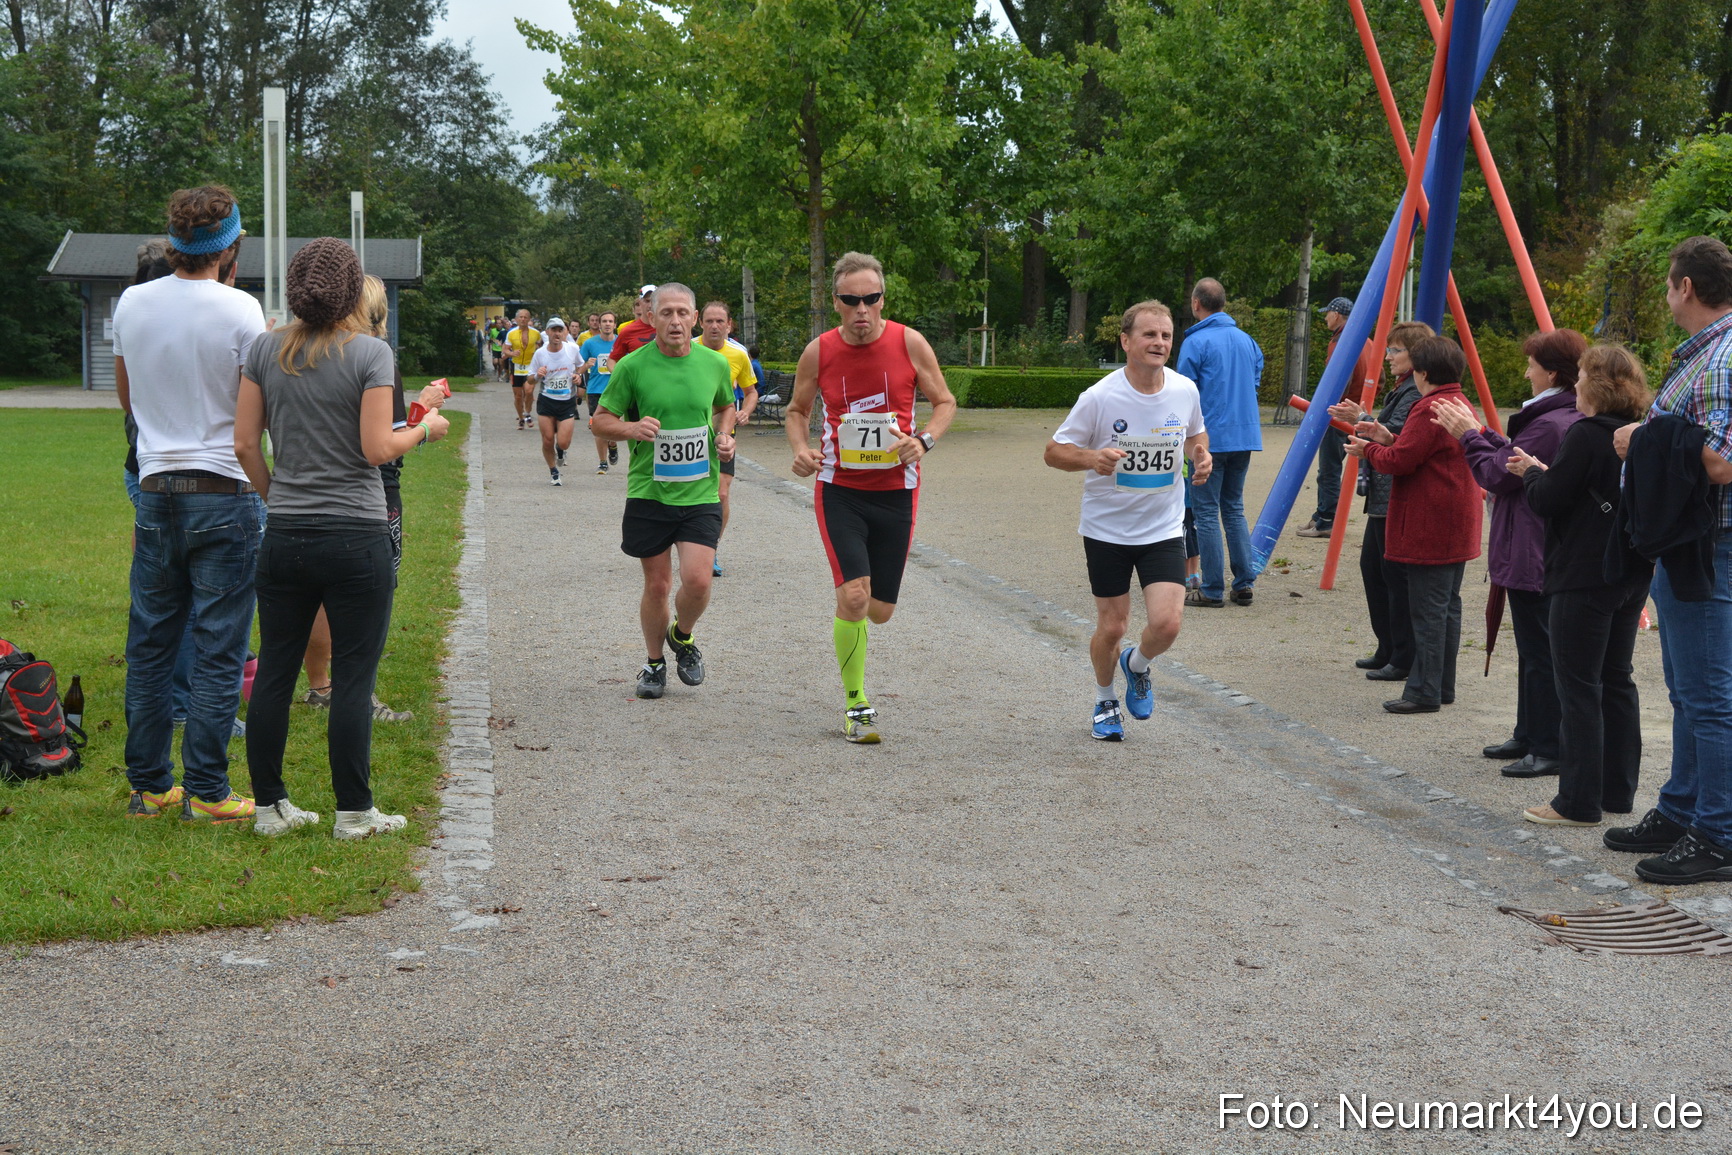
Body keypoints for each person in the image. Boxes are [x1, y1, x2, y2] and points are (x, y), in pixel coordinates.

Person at [234, 238, 450, 838]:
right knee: (355, 676)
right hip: (357, 533)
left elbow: (246, 445)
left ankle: (270, 807)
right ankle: (354, 812)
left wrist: (276, 499)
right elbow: (378, 448)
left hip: (286, 534)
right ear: (353, 289)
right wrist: (426, 429)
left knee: (276, 670)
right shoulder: (371, 355)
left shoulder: (263, 348)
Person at [113, 184, 265, 822]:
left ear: (173, 241)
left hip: (154, 491)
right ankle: (207, 789)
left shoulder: (131, 302)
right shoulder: (241, 310)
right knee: (219, 643)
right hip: (223, 490)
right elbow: (255, 410)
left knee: (150, 643)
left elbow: (126, 399)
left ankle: (149, 784)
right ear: (230, 245)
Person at [786, 251, 958, 743]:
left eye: (871, 298)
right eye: (850, 300)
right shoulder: (818, 350)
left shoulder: (909, 342)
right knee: (854, 597)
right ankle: (856, 702)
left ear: (883, 298)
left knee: (880, 609)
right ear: (836, 302)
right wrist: (800, 449)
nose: (862, 309)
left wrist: (923, 440)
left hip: (896, 492)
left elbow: (945, 402)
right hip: (839, 489)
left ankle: (859, 637)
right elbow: (798, 410)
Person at [1603, 236, 1732, 884]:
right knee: (1688, 691)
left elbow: (1724, 462)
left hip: (1709, 548)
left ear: (1685, 287)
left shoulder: (1724, 358)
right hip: (1688, 545)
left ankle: (1719, 832)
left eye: (1667, 283)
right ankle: (1683, 808)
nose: (1664, 294)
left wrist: (1643, 439)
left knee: (1710, 697)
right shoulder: (1708, 355)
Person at [1045, 300, 1212, 740]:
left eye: (1166, 335)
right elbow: (1054, 451)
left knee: (1167, 623)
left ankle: (1136, 665)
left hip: (1162, 527)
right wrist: (1090, 457)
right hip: (1107, 530)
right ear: (1126, 341)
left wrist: (1201, 454)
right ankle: (1104, 699)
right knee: (1114, 625)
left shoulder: (1184, 390)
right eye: (1149, 334)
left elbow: (1195, 433)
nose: (1159, 342)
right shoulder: (1100, 397)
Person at [1507, 343, 1653, 826]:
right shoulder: (1640, 434)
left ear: (1595, 385)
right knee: (1616, 679)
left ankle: (1577, 800)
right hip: (1628, 570)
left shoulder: (1586, 433)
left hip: (1582, 573)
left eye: (1584, 377)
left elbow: (1548, 500)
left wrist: (1530, 472)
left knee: (1578, 685)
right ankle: (1616, 792)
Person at [1431, 328, 1587, 775]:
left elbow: (1499, 476)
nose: (1525, 372)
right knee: (1532, 649)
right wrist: (1481, 433)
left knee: (1541, 651)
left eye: (1531, 365)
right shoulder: (1553, 416)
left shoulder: (1553, 421)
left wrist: (1468, 437)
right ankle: (1529, 732)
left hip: (1534, 550)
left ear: (1551, 372)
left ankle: (1548, 744)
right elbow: (1512, 458)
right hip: (1531, 547)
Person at [299, 277, 435, 724]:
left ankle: (321, 686)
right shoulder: (376, 358)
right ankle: (360, 697)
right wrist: (427, 420)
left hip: (305, 494)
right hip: (371, 494)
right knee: (370, 597)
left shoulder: (304, 353)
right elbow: (385, 443)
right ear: (377, 313)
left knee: (314, 597)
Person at [591, 284, 737, 699]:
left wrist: (725, 435)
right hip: (649, 492)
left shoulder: (714, 364)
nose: (675, 321)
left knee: (698, 581)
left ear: (695, 319)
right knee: (657, 586)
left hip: (700, 490)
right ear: (651, 318)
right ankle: (654, 664)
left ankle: (682, 635)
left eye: (682, 313)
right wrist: (631, 429)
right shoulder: (632, 366)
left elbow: (726, 405)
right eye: (666, 313)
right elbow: (600, 421)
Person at [1348, 336, 1482, 714]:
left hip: (1431, 522)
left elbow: (1401, 461)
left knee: (1428, 609)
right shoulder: (1458, 401)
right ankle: (1441, 685)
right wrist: (1386, 437)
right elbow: (1417, 450)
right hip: (1455, 520)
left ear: (1423, 372)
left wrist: (1369, 449)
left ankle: (1423, 690)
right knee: (1446, 607)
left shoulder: (1429, 407)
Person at [1328, 321, 1434, 683]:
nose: (1387, 357)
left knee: (1389, 574)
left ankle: (1402, 654)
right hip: (1384, 493)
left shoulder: (1415, 394)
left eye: (1395, 351)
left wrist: (1362, 420)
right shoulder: (1404, 390)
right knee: (1374, 570)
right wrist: (1361, 420)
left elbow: (1400, 438)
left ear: (1415, 355)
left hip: (1393, 494)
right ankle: (1389, 646)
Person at [1175, 277, 1263, 607]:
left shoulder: (1195, 343)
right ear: (1223, 304)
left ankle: (1212, 588)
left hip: (1208, 439)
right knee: (1234, 508)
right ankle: (1243, 582)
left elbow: (1184, 392)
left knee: (1205, 513)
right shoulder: (1247, 341)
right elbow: (1254, 381)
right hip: (1244, 435)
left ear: (1196, 304)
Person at [1299, 296, 1379, 538]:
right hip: (1359, 412)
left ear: (1337, 315)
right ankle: (1321, 514)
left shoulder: (1340, 342)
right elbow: (1380, 377)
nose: (1325, 317)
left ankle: (1325, 520)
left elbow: (1338, 380)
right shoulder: (1367, 341)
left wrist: (1332, 407)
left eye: (1327, 313)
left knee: (1329, 469)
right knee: (1334, 466)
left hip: (1340, 414)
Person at [698, 300, 758, 575]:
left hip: (723, 435)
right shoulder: (687, 349)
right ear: (700, 323)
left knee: (721, 493)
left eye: (719, 321)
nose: (714, 326)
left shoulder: (737, 355)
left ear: (729, 325)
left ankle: (711, 548)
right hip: (690, 434)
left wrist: (744, 411)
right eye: (709, 321)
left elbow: (751, 391)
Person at [530, 316, 582, 485]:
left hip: (566, 401)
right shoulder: (540, 353)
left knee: (564, 442)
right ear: (547, 332)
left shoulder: (572, 349)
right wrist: (538, 375)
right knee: (547, 440)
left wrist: (577, 376)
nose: (557, 333)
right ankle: (553, 471)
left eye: (560, 330)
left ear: (564, 332)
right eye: (554, 330)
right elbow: (530, 380)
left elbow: (580, 367)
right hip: (546, 401)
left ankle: (560, 450)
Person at [581, 311, 619, 473]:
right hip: (595, 390)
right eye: (604, 321)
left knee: (612, 426)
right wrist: (586, 366)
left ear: (615, 324)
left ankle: (612, 444)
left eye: (610, 321)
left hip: (616, 390)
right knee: (597, 426)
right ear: (599, 324)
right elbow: (578, 367)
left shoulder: (620, 342)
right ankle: (603, 461)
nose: (607, 324)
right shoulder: (589, 344)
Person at [504, 309, 542, 429]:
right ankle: (521, 418)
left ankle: (527, 413)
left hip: (531, 366)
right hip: (516, 367)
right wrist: (512, 353)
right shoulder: (511, 333)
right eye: (521, 317)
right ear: (516, 319)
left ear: (529, 319)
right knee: (518, 396)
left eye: (526, 317)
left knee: (529, 391)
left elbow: (542, 347)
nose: (523, 319)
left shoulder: (536, 334)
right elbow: (505, 350)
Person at [609, 286, 659, 366]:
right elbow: (612, 360)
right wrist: (622, 377)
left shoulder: (667, 327)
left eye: (653, 301)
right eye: (647, 301)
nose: (650, 305)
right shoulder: (628, 330)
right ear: (639, 302)